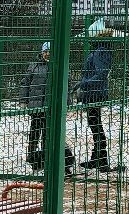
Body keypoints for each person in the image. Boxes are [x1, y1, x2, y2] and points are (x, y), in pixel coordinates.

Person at [21, 42, 74, 171]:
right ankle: (31, 154)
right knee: (34, 131)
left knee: (47, 133)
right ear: (42, 52)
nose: (47, 54)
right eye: (45, 51)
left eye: (50, 51)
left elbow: (67, 86)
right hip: (36, 106)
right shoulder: (34, 66)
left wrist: (67, 103)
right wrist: (23, 100)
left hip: (52, 107)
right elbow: (25, 83)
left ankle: (46, 155)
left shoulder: (60, 66)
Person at [77, 17, 120, 172]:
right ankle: (97, 159)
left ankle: (101, 160)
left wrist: (83, 83)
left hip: (95, 93)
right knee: (95, 124)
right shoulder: (100, 50)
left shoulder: (100, 51)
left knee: (96, 126)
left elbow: (101, 73)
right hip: (93, 93)